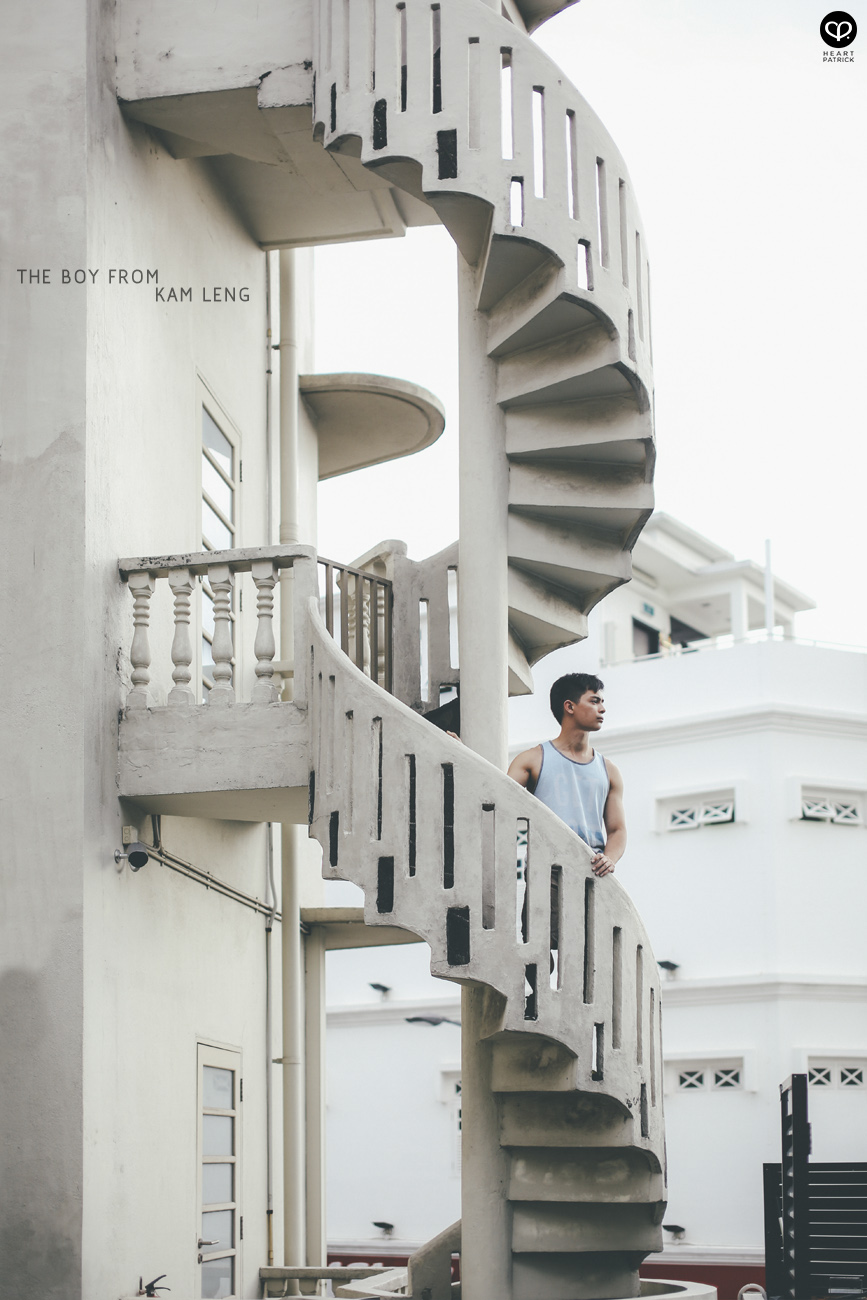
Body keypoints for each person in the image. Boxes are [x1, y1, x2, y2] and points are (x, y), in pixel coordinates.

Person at [507, 672, 625, 878]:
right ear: (569, 706)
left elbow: (617, 830)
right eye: (594, 701)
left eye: (602, 702)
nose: (603, 709)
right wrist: (466, 754)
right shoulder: (532, 760)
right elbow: (497, 794)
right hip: (547, 871)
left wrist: (609, 859)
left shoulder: (609, 770)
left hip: (593, 873)